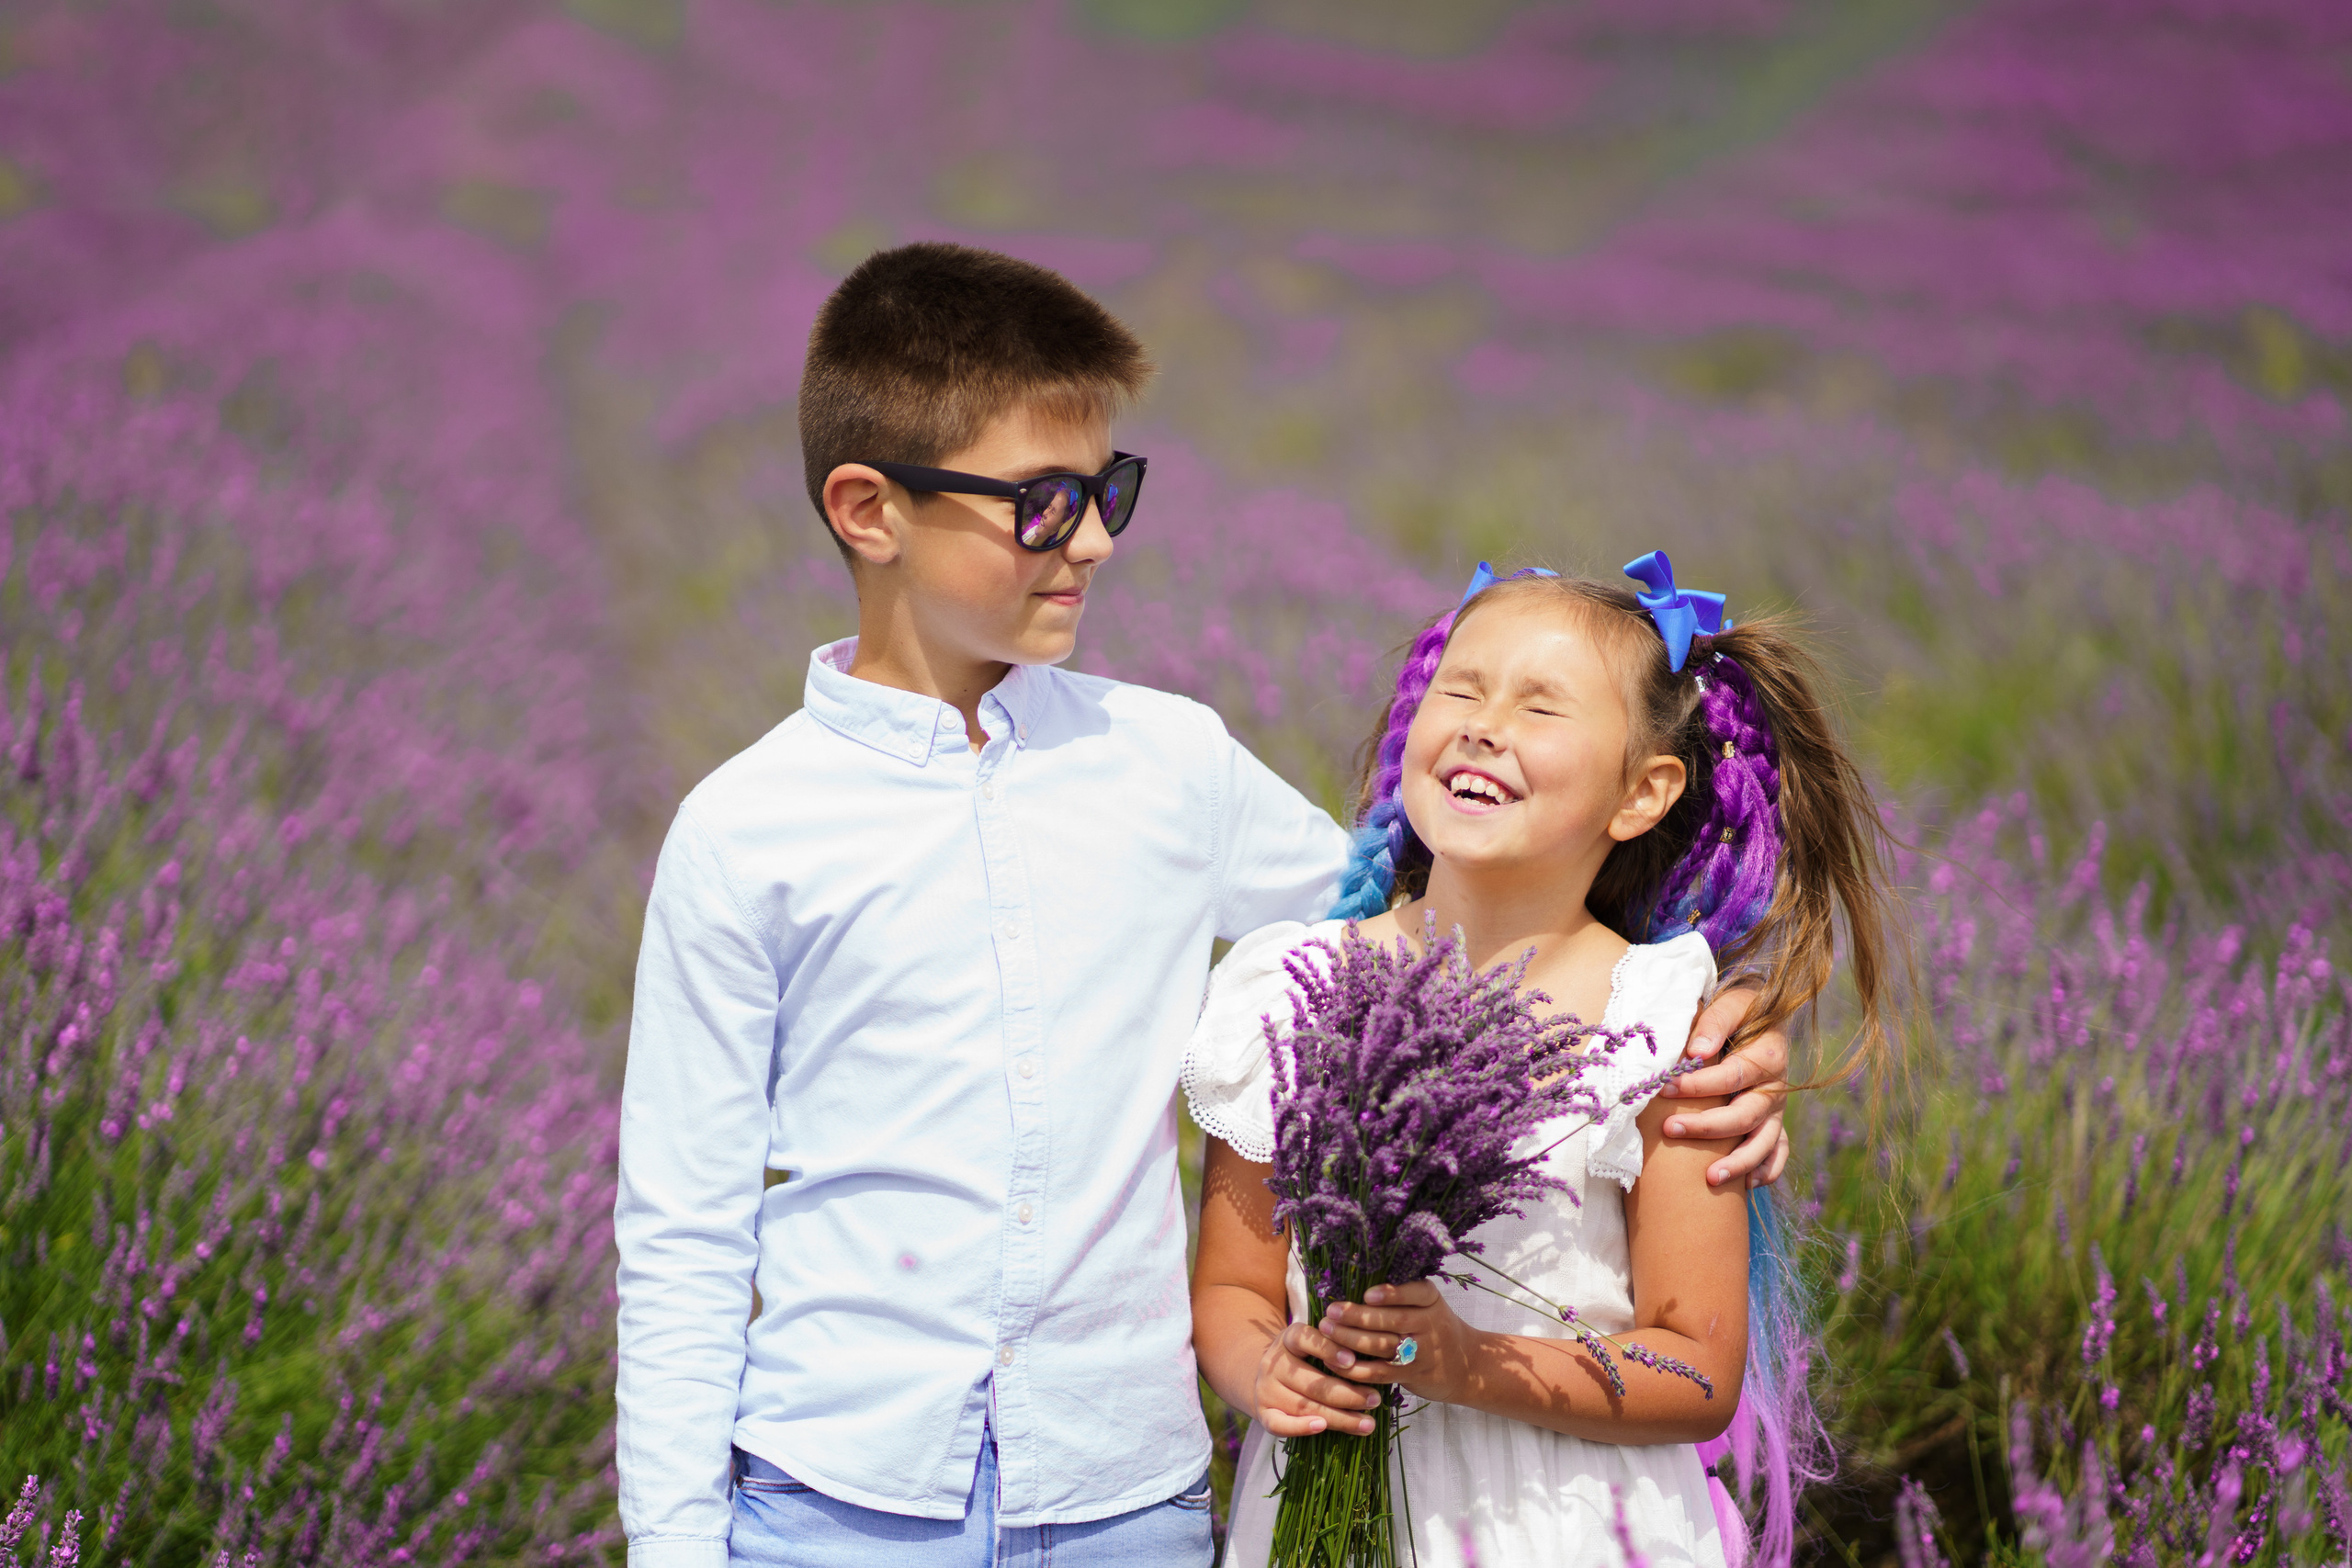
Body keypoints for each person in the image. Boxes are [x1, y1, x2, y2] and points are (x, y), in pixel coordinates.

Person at [612, 243, 1796, 1568]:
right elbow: (683, 1228)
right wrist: (673, 1542)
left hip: (1125, 1501)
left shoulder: (1167, 761)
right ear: (869, 509)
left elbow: (1420, 918)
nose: (1100, 539)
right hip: (835, 1496)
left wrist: (1718, 1014)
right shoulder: (743, 831)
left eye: (1110, 488)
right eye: (1046, 502)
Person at [1190, 558, 1903, 1568]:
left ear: (1642, 793)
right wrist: (1266, 1367)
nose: (1485, 724)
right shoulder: (1288, 988)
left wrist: (1467, 1363)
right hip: (1327, 1514)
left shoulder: (1659, 1028)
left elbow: (1698, 1371)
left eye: (1541, 708)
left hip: (1575, 1523)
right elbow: (1232, 1288)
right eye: (1462, 689)